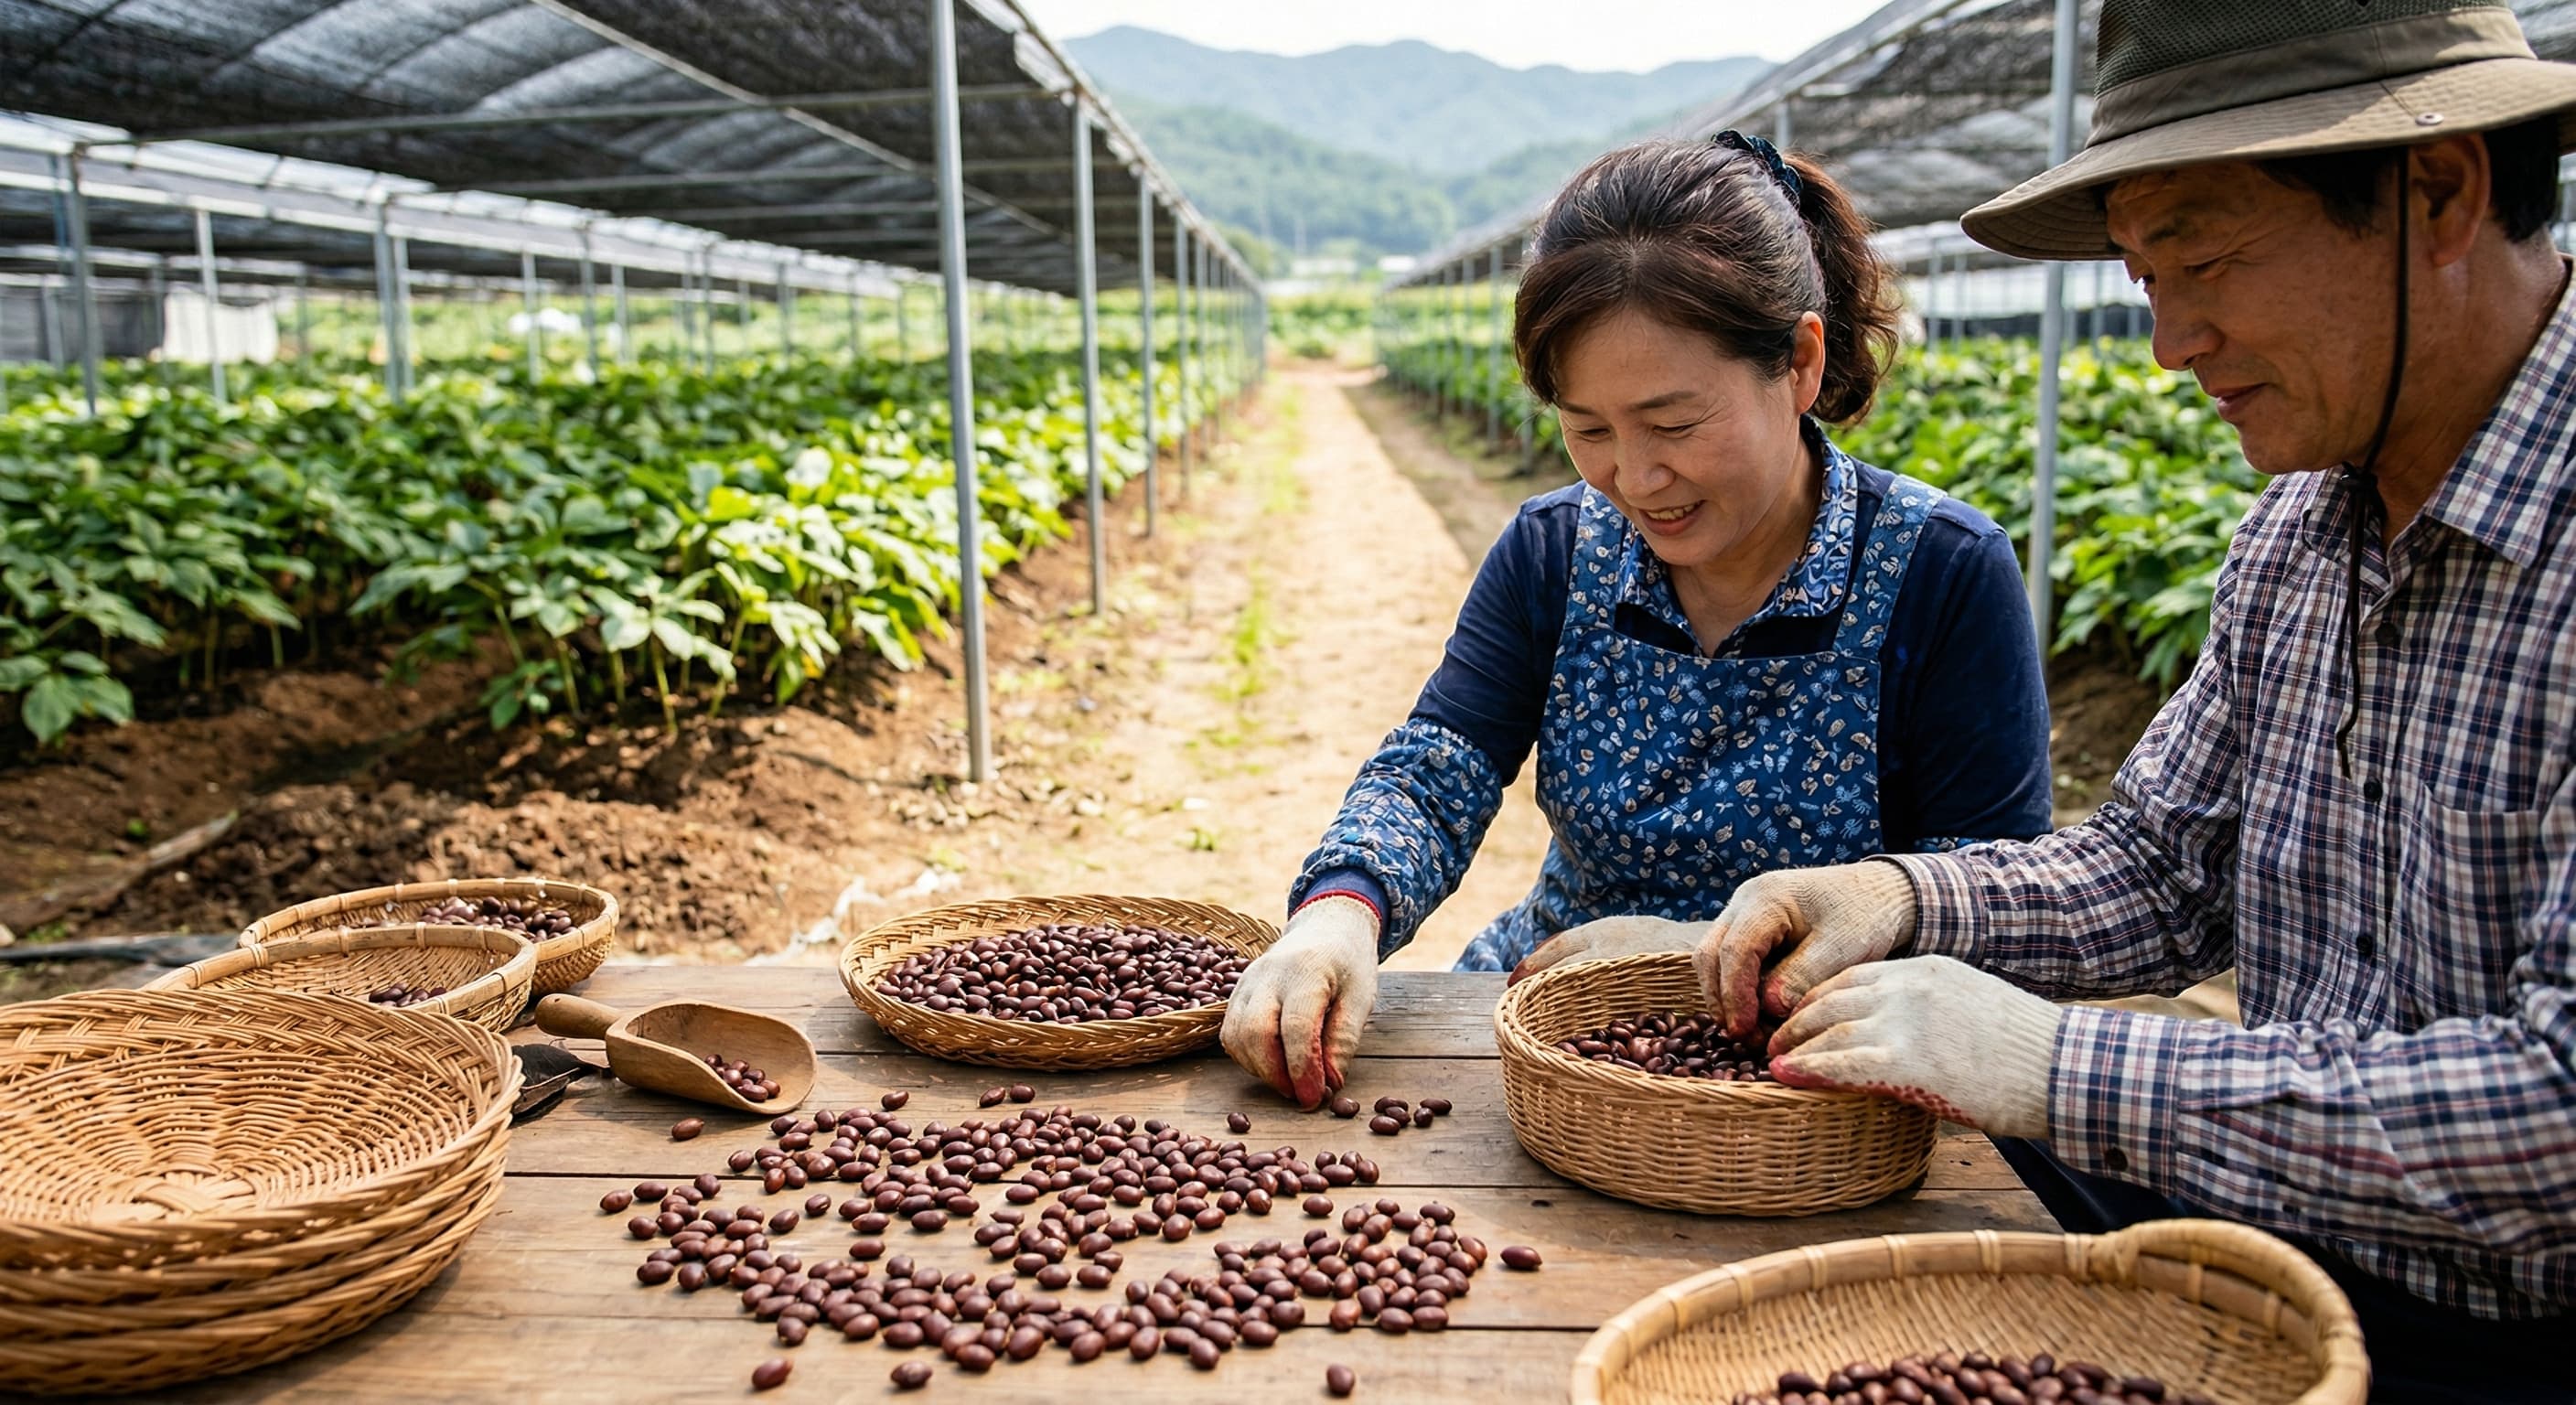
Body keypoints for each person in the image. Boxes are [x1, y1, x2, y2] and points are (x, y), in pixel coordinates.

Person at [1523, 3, 2576, 1400]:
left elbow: (2558, 1118)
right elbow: (2157, 866)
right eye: (2145, 278)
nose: (2170, 342)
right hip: (2256, 1250)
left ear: (2438, 191)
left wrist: (2054, 1062)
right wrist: (1893, 902)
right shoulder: (2301, 535)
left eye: (2202, 261)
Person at [1219, 134, 2055, 1109]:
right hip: (1551, 1009)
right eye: (1587, 430)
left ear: (1797, 359)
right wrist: (1340, 912)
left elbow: (1990, 895)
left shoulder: (1938, 572)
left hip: (1817, 1066)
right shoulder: (1555, 549)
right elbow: (1438, 764)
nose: (1635, 478)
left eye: (1672, 424)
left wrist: (1704, 957)